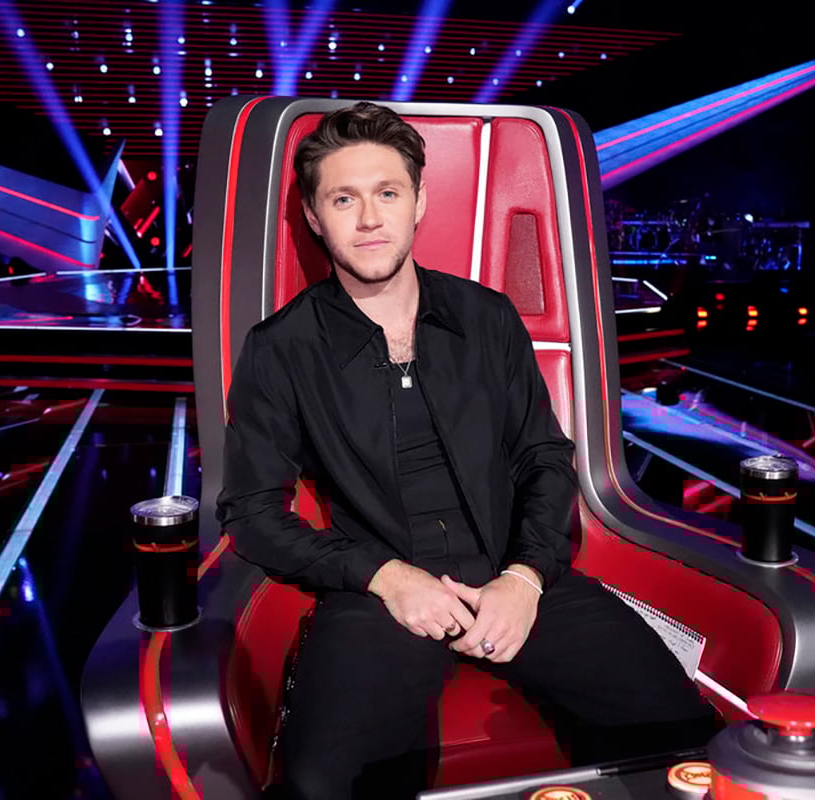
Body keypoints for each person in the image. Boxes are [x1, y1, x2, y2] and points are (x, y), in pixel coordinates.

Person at [217, 101, 718, 800]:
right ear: (314, 215)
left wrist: (526, 579)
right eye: (344, 198)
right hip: (380, 592)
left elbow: (544, 458)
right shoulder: (280, 349)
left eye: (388, 193)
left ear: (419, 202)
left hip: (514, 571)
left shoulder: (487, 317)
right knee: (321, 782)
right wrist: (386, 577)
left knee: (686, 740)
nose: (369, 219)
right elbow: (251, 513)